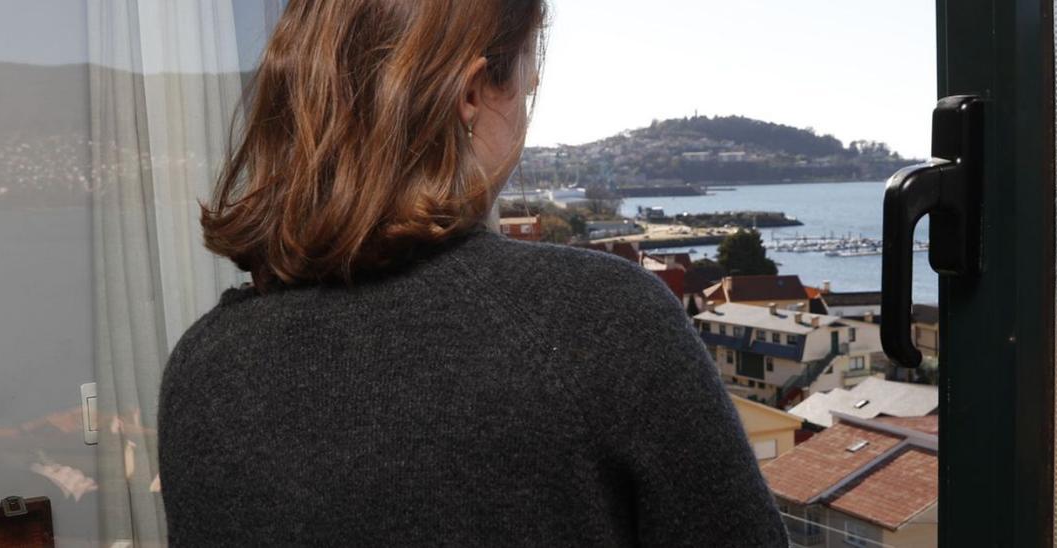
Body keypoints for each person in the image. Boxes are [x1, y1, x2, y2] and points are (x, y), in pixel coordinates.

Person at [158, 1, 788, 545]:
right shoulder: (599, 326)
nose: (530, 96)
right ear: (471, 93)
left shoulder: (201, 368)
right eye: (526, 81)